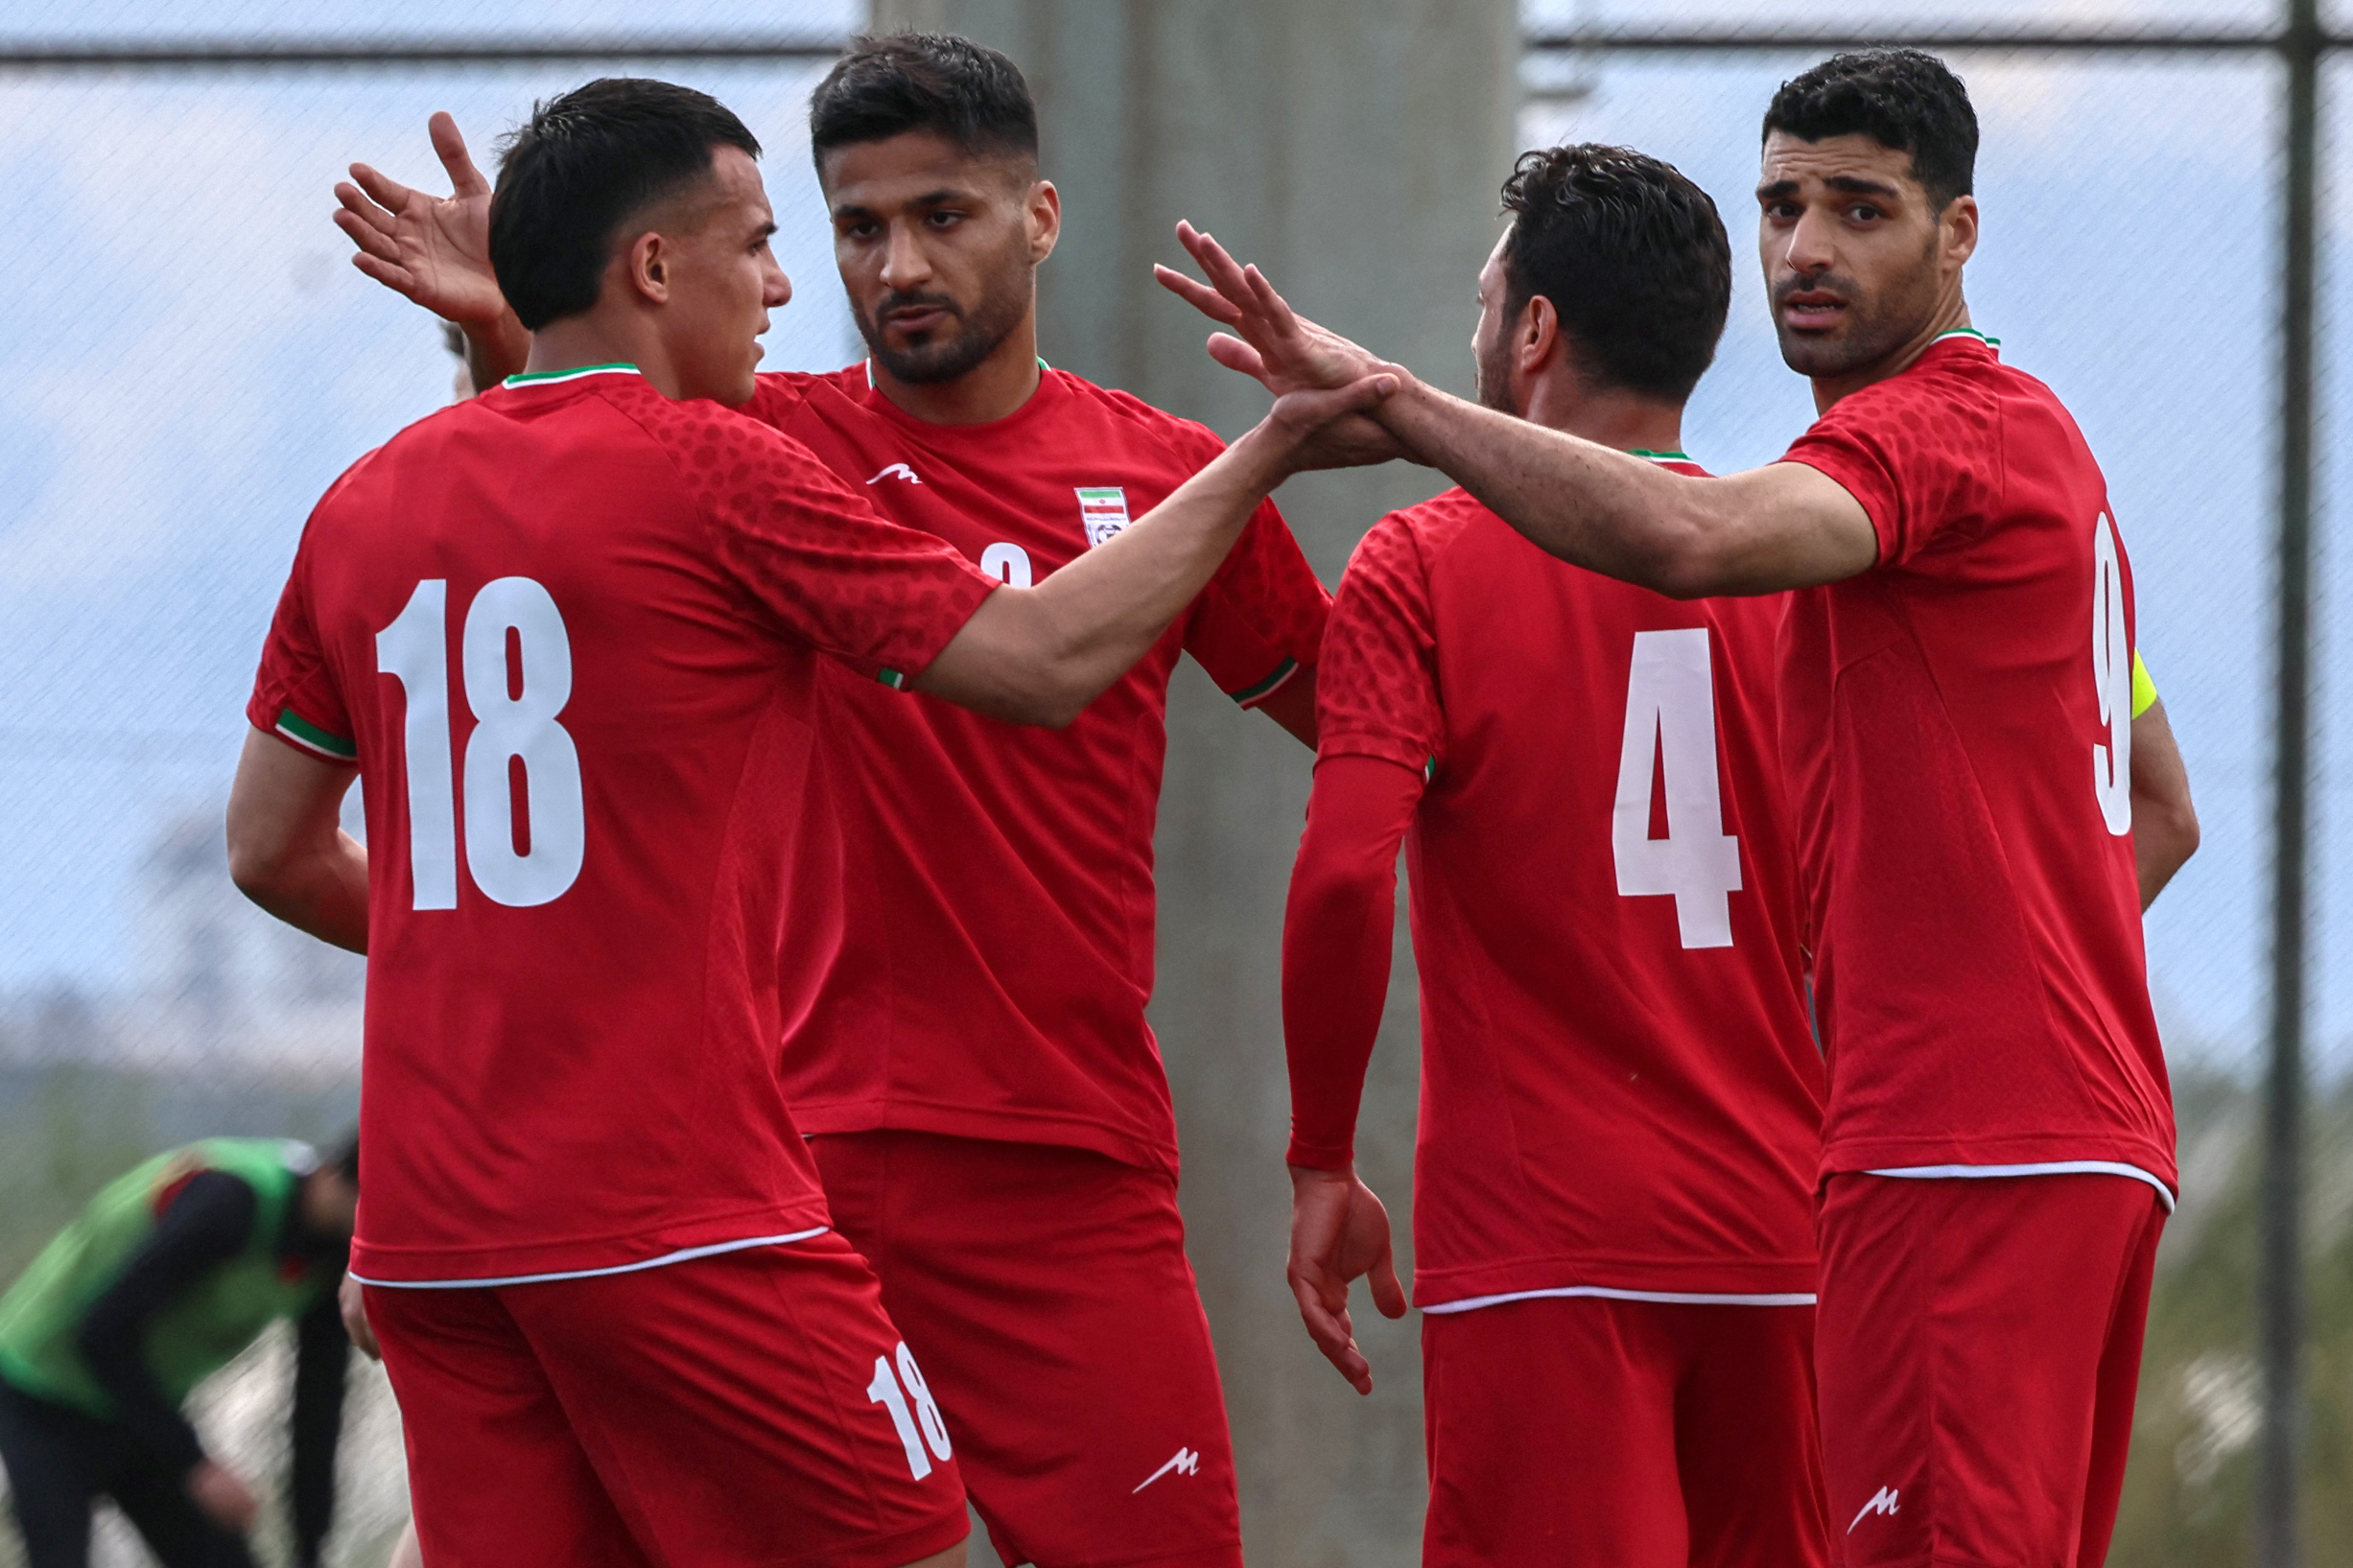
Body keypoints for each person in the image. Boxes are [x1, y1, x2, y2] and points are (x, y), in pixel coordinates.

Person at [231, 76, 1387, 1568]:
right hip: (766, 1166)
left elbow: (1376, 737)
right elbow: (565, 498)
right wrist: (504, 333)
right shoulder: (740, 448)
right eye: (840, 229)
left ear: (1040, 219)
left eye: (939, 215)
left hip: (1044, 1159)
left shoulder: (1159, 476)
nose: (879, 266)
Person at [1159, 47, 2198, 1568]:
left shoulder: (1879, 462)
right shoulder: (2001, 464)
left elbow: (1675, 546)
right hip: (1915, 1187)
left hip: (1886, 1169)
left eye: (1859, 209)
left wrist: (1392, 406)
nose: (1808, 246)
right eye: (1782, 206)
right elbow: (2160, 807)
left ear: (1959, 233)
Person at [1282, 143, 1827, 1568]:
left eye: (1484, 303)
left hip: (1546, 1244)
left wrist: (1322, 1156)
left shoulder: (1420, 560)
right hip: (1789, 1234)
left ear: (1531, 330)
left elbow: (1341, 875)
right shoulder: (1798, 572)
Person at [0, 1135, 358, 1568]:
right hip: (42, 1390)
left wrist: (310, 1550)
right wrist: (195, 1464)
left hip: (137, 1404)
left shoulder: (336, 1255)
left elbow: (318, 1405)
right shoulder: (231, 1202)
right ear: (331, 1176)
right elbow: (101, 1334)